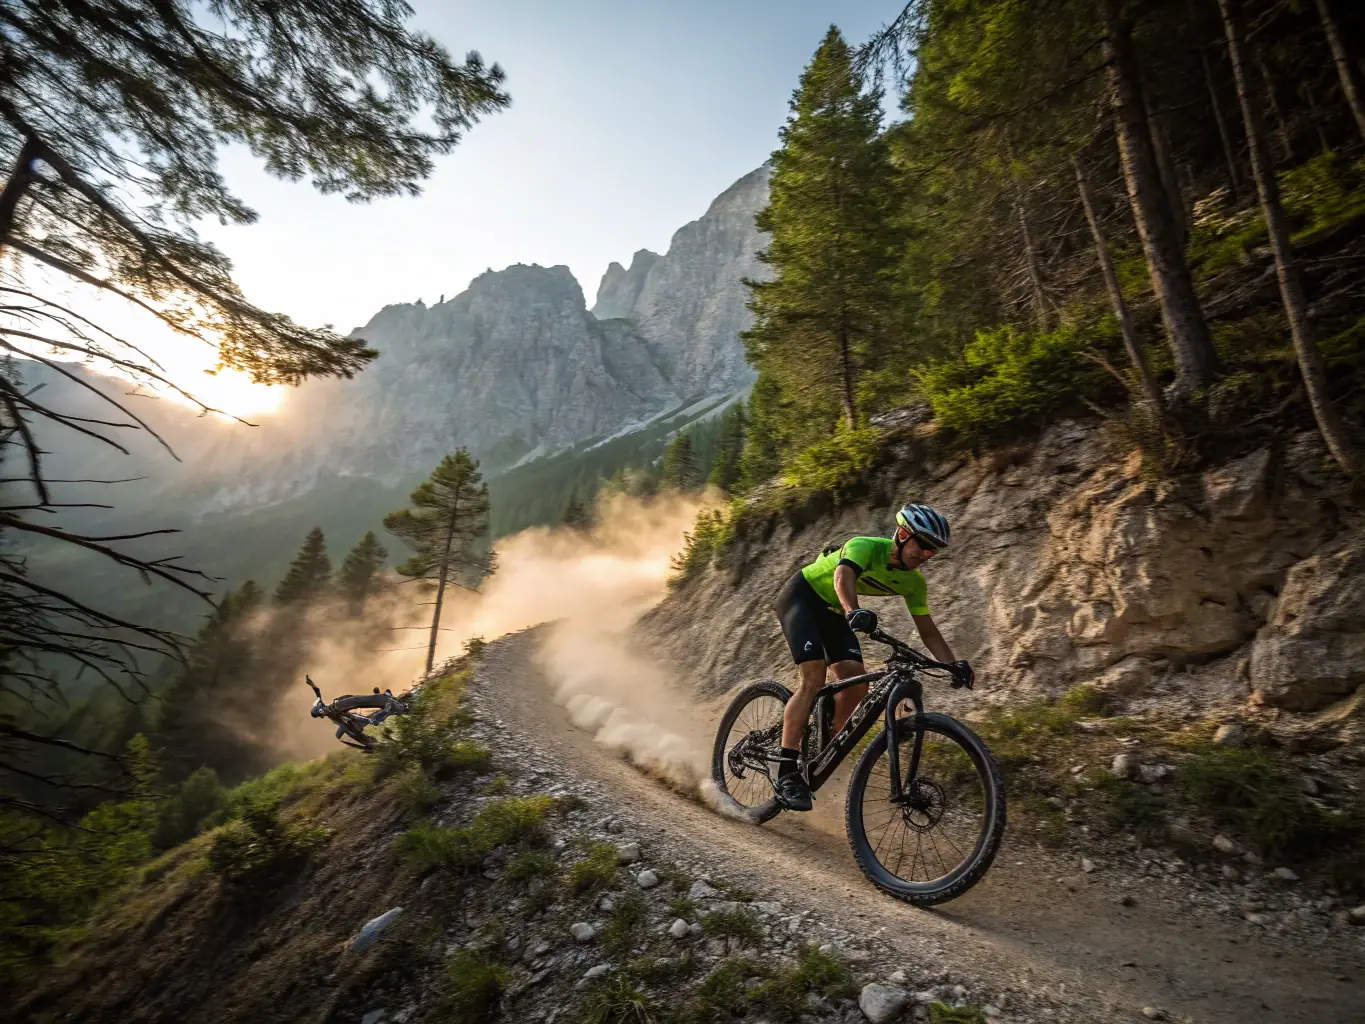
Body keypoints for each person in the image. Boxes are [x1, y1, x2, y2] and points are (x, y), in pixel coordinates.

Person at [769, 502, 973, 811]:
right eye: (922, 546)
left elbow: (929, 632)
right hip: (802, 597)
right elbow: (842, 578)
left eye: (932, 552)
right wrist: (855, 612)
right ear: (903, 534)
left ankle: (818, 752)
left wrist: (952, 664)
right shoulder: (864, 546)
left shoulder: (913, 582)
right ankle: (786, 772)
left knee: (856, 684)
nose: (924, 556)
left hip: (836, 613)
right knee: (814, 678)